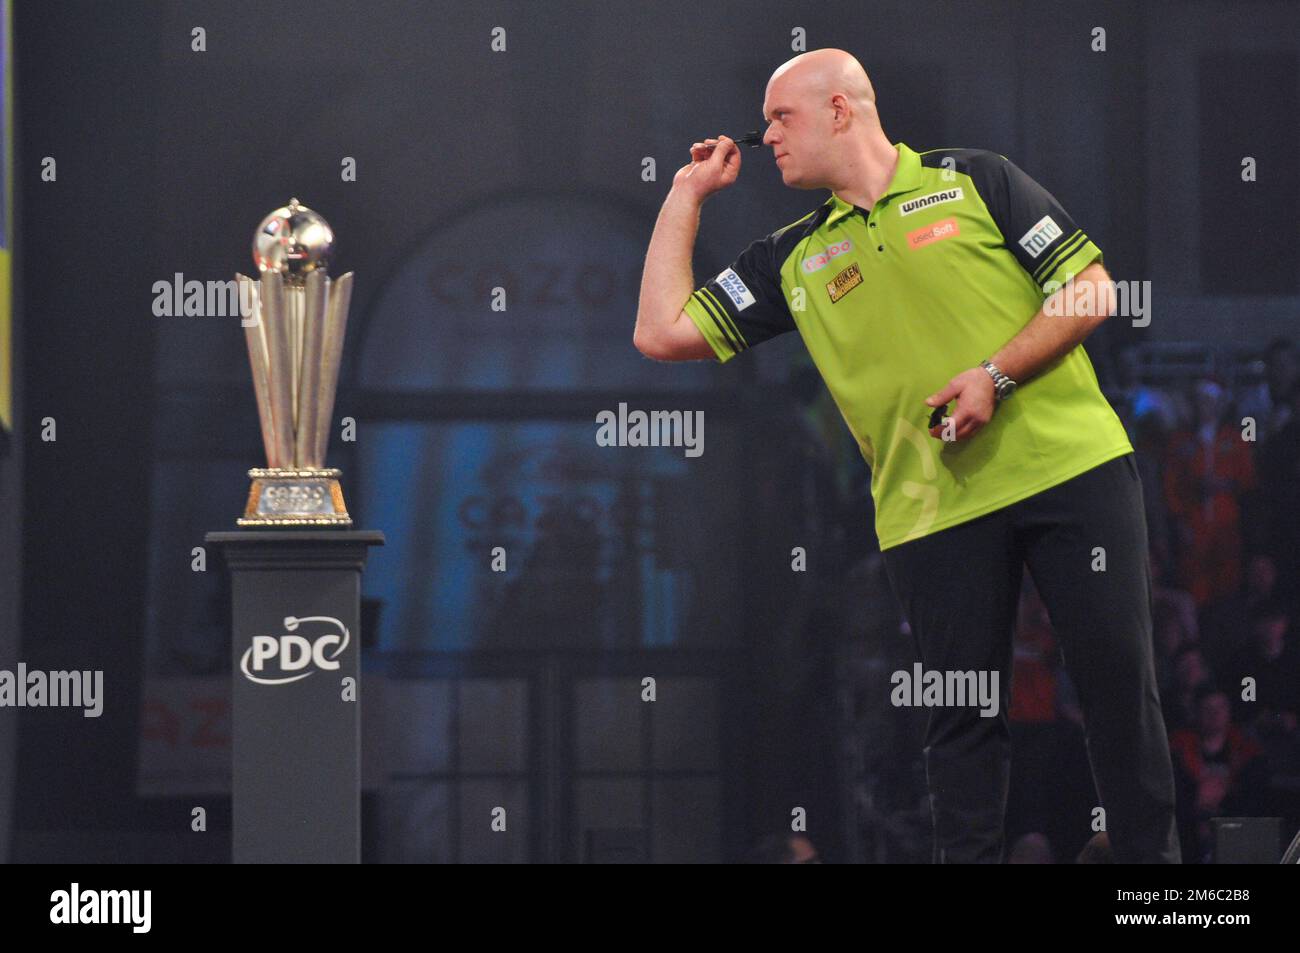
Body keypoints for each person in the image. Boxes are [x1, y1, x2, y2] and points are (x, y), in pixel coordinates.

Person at [634, 48, 1180, 862]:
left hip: (1072, 470)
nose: (764, 137)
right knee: (960, 717)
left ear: (842, 111)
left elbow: (1092, 288)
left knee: (1116, 688)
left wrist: (994, 374)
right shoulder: (791, 258)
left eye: (781, 118)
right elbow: (661, 331)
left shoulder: (976, 180)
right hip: (931, 507)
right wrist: (684, 197)